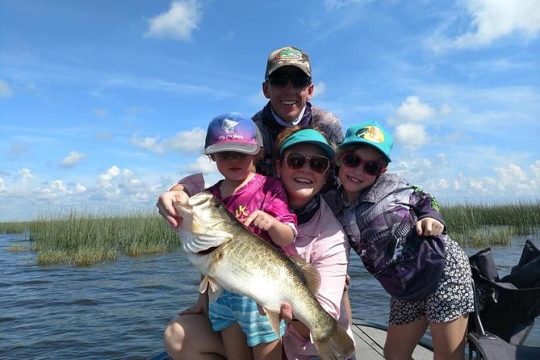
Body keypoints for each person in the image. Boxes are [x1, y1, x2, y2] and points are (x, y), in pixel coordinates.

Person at [164, 127, 354, 360]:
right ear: (278, 166)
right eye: (295, 161)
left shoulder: (332, 235)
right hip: (241, 319)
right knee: (177, 334)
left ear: (326, 174)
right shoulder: (256, 195)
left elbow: (326, 313)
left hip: (305, 350)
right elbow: (203, 191)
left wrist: (293, 314)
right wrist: (176, 191)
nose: (306, 169)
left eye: (317, 164)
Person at [323, 120, 475, 360]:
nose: (359, 171)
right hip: (404, 289)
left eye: (371, 167)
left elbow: (424, 198)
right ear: (340, 159)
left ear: (381, 171)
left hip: (442, 270)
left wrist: (432, 217)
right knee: (394, 355)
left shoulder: (391, 184)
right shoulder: (331, 201)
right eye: (353, 160)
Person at [174, 112, 298, 360]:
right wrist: (202, 301)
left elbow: (287, 237)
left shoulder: (269, 187)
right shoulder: (209, 197)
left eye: (241, 153)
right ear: (212, 157)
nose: (234, 159)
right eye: (224, 153)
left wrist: (273, 223)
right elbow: (208, 257)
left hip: (261, 299)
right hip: (222, 300)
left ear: (256, 153)